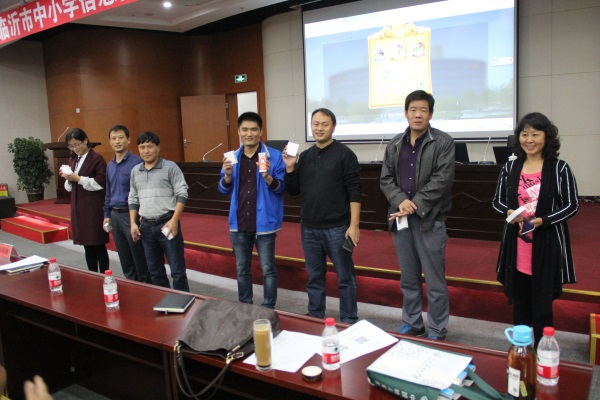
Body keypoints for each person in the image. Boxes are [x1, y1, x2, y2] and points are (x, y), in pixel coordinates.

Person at [493, 112, 579, 346]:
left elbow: (572, 205)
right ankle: (521, 350)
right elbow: (497, 202)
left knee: (542, 306)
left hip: (546, 246)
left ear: (546, 137)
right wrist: (509, 213)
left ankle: (543, 350)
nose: (529, 140)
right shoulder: (510, 168)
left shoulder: (559, 168)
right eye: (524, 134)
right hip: (517, 247)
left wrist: (544, 220)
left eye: (535, 134)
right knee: (520, 303)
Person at [380, 90, 455, 340]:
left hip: (429, 220)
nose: (418, 114)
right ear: (405, 113)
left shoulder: (443, 142)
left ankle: (437, 328)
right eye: (413, 110)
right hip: (401, 219)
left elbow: (442, 180)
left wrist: (414, 204)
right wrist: (401, 201)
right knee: (409, 278)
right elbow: (386, 179)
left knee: (434, 281)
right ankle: (412, 322)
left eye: (423, 110)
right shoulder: (395, 143)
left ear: (430, 114)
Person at [283, 108, 362, 324]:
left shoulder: (345, 155)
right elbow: (294, 191)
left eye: (324, 124)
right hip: (309, 228)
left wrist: (354, 225)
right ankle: (316, 316)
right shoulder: (306, 156)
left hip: (337, 228)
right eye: (315, 124)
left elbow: (355, 191)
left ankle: (348, 319)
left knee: (345, 277)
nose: (319, 128)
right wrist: (290, 168)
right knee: (314, 276)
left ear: (333, 127)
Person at [218, 112, 285, 308]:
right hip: (239, 222)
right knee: (242, 269)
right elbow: (222, 189)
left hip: (265, 223)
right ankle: (245, 306)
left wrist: (268, 177)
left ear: (261, 131)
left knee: (268, 269)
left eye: (254, 129)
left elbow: (281, 189)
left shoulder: (274, 156)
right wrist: (227, 176)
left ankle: (268, 307)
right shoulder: (231, 157)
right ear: (238, 131)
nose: (249, 133)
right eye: (245, 129)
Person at [128, 132, 190, 292]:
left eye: (150, 146)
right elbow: (133, 198)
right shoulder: (135, 171)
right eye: (142, 147)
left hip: (167, 223)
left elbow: (182, 193)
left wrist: (174, 220)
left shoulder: (170, 167)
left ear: (158, 147)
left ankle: (183, 300)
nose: (146, 151)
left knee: (177, 271)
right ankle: (165, 300)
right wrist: (133, 223)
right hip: (146, 227)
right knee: (155, 271)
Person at [103, 125, 151, 283]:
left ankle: (146, 288)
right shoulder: (110, 165)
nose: (117, 141)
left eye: (121, 137)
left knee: (139, 255)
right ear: (110, 142)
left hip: (131, 215)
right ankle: (132, 286)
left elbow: (143, 191)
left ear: (128, 140)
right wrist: (106, 215)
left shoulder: (137, 163)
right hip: (115, 216)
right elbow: (108, 192)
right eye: (113, 138)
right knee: (124, 257)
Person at [60, 128, 109, 273]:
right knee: (87, 245)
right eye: (71, 146)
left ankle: (105, 276)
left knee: (98, 244)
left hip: (93, 208)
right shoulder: (73, 159)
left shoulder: (96, 158)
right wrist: (68, 178)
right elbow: (69, 188)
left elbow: (101, 183)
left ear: (85, 141)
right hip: (79, 207)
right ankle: (92, 275)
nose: (74, 148)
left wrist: (79, 179)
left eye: (76, 144)